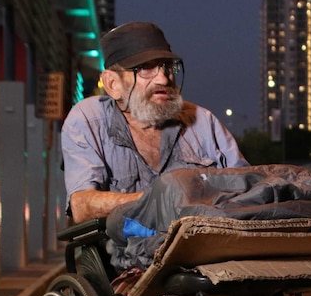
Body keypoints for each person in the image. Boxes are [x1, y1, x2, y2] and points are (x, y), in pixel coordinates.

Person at [62, 21, 249, 223]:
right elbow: (81, 205)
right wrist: (162, 200)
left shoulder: (203, 121)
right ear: (113, 84)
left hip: (205, 246)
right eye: (145, 68)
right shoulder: (89, 119)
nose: (163, 79)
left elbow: (248, 189)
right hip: (125, 250)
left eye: (167, 66)